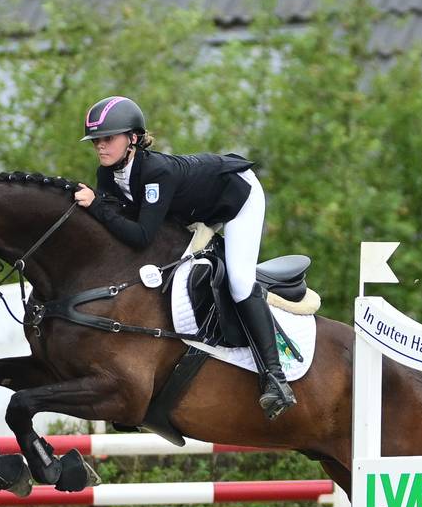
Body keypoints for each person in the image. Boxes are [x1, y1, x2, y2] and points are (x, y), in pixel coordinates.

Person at [74, 95, 296, 419]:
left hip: (237, 198)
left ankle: (276, 377)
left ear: (132, 139)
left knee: (238, 281)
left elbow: (140, 236)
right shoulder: (107, 174)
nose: (100, 146)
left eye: (108, 138)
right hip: (196, 208)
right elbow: (115, 226)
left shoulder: (155, 172)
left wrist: (94, 206)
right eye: (96, 140)